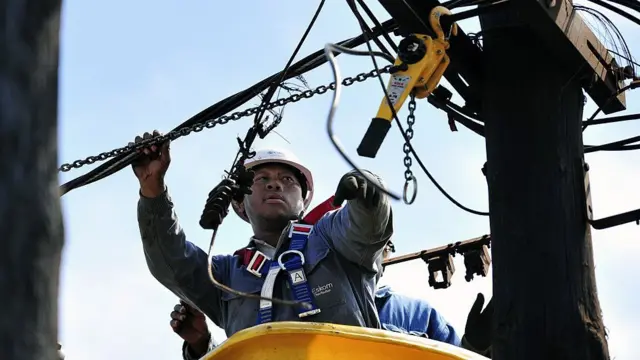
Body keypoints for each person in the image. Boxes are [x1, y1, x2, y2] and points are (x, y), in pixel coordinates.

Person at [132, 131, 392, 359]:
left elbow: (369, 226)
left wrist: (368, 191)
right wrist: (152, 189)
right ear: (240, 203)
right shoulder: (226, 275)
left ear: (304, 201)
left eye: (288, 180)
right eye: (260, 179)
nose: (274, 183)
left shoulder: (332, 238)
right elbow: (171, 261)